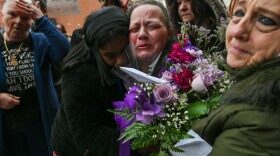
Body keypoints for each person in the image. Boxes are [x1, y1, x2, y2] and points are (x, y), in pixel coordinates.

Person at [192, 0, 280, 155]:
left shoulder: (264, 119)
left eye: (266, 20)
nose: (237, 31)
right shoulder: (224, 70)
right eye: (239, 13)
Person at [51, 6, 130, 156]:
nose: (121, 60)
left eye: (124, 50)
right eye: (111, 56)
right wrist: (136, 144)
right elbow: (88, 133)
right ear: (94, 49)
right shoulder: (78, 74)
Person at [0, 0, 70, 155]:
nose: (18, 21)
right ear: (2, 15)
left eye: (25, 17)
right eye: (12, 14)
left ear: (32, 21)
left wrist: (42, 19)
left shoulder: (40, 41)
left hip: (41, 124)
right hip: (8, 129)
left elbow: (65, 51)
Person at [126, 0, 174, 77]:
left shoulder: (186, 68)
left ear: (169, 34)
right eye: (134, 29)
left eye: (152, 26)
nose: (142, 34)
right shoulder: (121, 77)